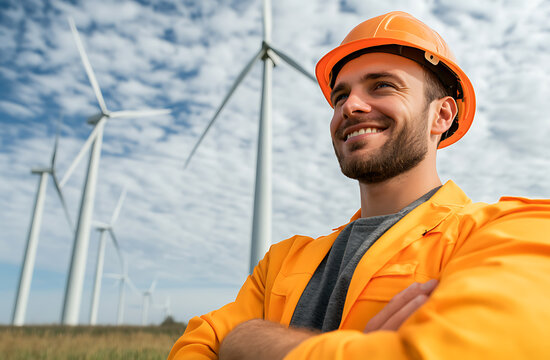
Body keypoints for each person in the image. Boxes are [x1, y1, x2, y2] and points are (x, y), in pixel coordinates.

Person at [168, 11, 550, 360]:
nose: (351, 106)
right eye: (340, 96)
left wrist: (248, 339)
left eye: (382, 86)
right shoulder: (281, 262)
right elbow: (194, 348)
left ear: (442, 115)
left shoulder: (506, 230)